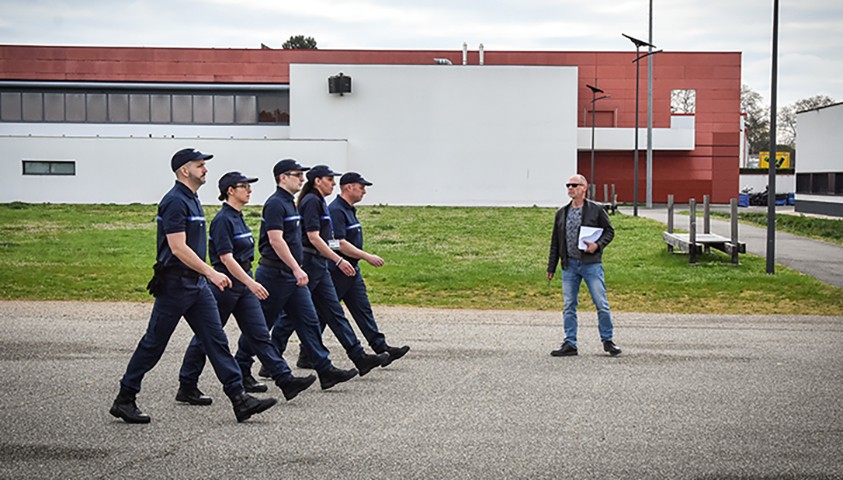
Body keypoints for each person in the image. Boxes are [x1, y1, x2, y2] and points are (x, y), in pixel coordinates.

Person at [109, 148, 276, 424]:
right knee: (153, 344)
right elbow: (177, 248)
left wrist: (204, 277)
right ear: (184, 170)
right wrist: (211, 273)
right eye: (200, 165)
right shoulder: (175, 201)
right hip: (175, 285)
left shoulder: (192, 199)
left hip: (196, 285)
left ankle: (239, 398)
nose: (205, 169)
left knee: (216, 340)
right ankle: (125, 398)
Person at [175, 171, 317, 405]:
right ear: (230, 191)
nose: (249, 190)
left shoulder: (238, 216)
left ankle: (285, 380)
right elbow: (226, 258)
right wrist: (251, 283)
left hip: (243, 284)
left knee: (259, 333)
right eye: (244, 186)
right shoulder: (223, 220)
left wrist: (248, 283)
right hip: (225, 286)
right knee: (206, 338)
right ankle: (187, 385)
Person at [238, 159, 357, 390]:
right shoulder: (275, 204)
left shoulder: (290, 203)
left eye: (302, 175)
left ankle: (325, 369)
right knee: (262, 325)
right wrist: (296, 267)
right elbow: (275, 239)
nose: (302, 179)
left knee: (308, 320)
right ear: (283, 177)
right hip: (275, 274)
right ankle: (242, 367)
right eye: (297, 175)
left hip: (291, 275)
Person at [281, 165, 389, 376]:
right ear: (318, 181)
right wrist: (338, 260)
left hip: (320, 263)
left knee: (334, 312)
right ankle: (273, 358)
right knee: (294, 315)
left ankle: (358, 356)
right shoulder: (312, 201)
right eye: (329, 179)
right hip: (312, 262)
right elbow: (316, 237)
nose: (332, 183)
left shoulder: (319, 201)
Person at [312, 171, 409, 365]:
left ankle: (381, 347)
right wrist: (367, 256)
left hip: (352, 270)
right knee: (325, 313)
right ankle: (307, 352)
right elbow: (337, 242)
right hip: (339, 270)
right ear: (349, 187)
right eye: (361, 187)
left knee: (362, 309)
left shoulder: (348, 210)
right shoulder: (337, 210)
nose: (364, 191)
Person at [546, 174, 621, 357]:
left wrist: (597, 245)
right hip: (569, 265)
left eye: (574, 185)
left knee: (601, 303)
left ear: (584, 188)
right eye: (568, 185)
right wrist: (551, 266)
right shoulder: (562, 213)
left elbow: (609, 232)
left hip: (590, 264)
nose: (570, 188)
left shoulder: (595, 210)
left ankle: (608, 340)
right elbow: (555, 241)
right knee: (569, 304)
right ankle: (570, 343)